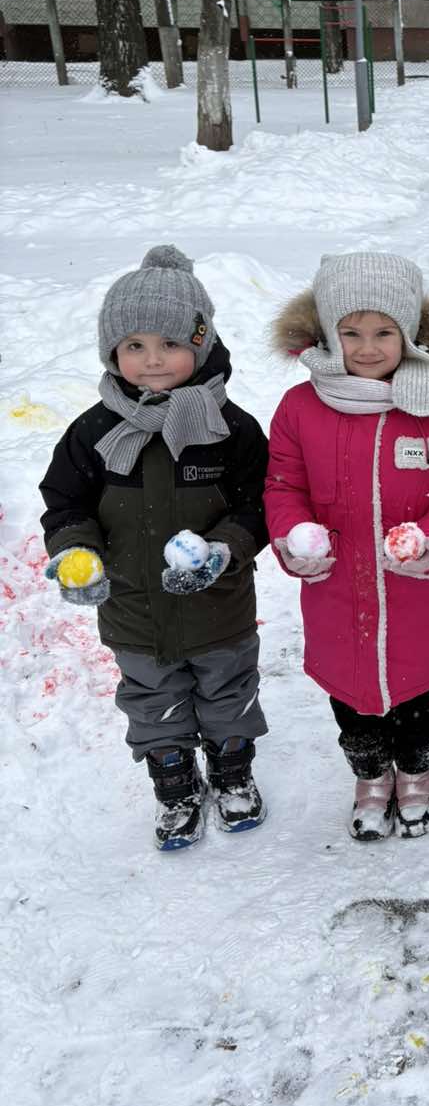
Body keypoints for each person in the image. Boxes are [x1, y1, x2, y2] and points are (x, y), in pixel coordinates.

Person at [39, 245, 269, 851]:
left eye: (169, 344)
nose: (152, 361)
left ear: (201, 343)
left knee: (228, 694)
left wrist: (224, 549)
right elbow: (64, 503)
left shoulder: (232, 429)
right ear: (111, 351)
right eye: (133, 346)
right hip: (134, 611)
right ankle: (174, 785)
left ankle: (232, 770)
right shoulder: (93, 431)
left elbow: (258, 505)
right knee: (152, 703)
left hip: (219, 608)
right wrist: (75, 551)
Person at [267, 252, 429, 841]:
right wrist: (295, 538)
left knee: (420, 699)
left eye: (384, 332)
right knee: (352, 700)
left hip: (418, 590)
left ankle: (417, 773)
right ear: (328, 333)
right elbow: (283, 484)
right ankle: (370, 776)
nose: (367, 347)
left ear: (408, 334)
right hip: (340, 589)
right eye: (352, 332)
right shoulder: (300, 407)